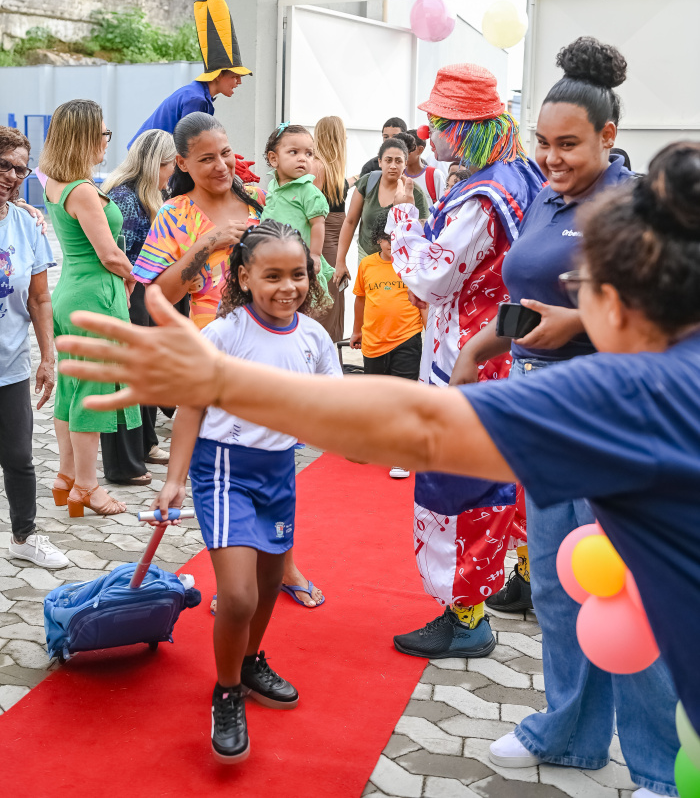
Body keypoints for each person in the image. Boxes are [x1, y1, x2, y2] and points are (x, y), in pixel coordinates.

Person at [58, 140, 700, 744]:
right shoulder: (639, 386)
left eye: (576, 290)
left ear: (616, 302)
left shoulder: (622, 396)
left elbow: (418, 424)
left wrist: (221, 382)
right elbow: (407, 421)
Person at [449, 38, 677, 797]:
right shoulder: (547, 195)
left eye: (569, 144)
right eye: (542, 142)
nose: (551, 157)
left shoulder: (641, 207)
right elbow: (527, 295)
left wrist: (578, 322)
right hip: (543, 404)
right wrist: (477, 350)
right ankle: (570, 733)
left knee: (625, 591)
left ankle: (657, 768)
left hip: (613, 410)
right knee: (553, 581)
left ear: (610, 137)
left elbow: (669, 317)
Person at [153, 220, 341, 762]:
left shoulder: (314, 338)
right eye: (272, 276)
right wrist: (174, 480)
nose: (288, 287)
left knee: (267, 584)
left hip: (279, 472)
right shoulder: (224, 334)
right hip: (224, 469)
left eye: (298, 274)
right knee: (237, 596)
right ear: (244, 277)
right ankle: (228, 691)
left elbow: (336, 406)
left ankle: (252, 660)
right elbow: (191, 407)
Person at [387, 63, 544, 659]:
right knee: (510, 480)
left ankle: (466, 617)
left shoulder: (484, 195)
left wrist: (403, 221)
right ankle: (525, 579)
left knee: (463, 489)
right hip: (509, 350)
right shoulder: (519, 173)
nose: (429, 134)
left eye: (438, 122)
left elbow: (432, 275)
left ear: (466, 128)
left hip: (469, 357)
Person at [41, 100, 140, 517]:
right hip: (95, 295)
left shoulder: (56, 183)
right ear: (83, 137)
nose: (106, 141)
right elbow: (110, 254)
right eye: (103, 133)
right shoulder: (81, 190)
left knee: (73, 387)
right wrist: (133, 276)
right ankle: (87, 485)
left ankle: (66, 477)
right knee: (92, 392)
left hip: (72, 291)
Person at [0, 126, 68, 568]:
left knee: (19, 457)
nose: (12, 176)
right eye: (3, 165)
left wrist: (48, 357)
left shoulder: (27, 225)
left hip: (10, 364)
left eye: (20, 169)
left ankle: (24, 537)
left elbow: (40, 299)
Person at [132, 112, 265, 330]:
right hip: (211, 344)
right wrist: (208, 242)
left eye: (225, 153)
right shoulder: (175, 214)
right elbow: (159, 296)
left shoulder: (259, 200)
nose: (221, 166)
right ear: (182, 163)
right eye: (207, 159)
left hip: (269, 336)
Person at [100, 129, 177, 480]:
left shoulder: (147, 193)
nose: (172, 174)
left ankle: (146, 444)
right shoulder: (125, 197)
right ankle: (126, 461)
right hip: (129, 293)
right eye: (170, 166)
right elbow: (121, 256)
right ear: (156, 164)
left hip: (146, 292)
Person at [351, 211, 423, 479]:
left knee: (403, 399)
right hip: (373, 341)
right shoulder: (367, 265)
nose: (392, 244)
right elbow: (360, 298)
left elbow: (425, 302)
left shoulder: (412, 264)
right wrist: (356, 330)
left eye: (397, 238)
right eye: (387, 238)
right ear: (378, 239)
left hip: (407, 337)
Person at [129, 0, 250, 150]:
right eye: (235, 76)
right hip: (148, 158)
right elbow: (189, 148)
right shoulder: (196, 100)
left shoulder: (197, 95)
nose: (239, 82)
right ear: (218, 75)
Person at [333, 137, 430, 285]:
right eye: (388, 160)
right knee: (368, 296)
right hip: (366, 256)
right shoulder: (367, 183)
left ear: (405, 163)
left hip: (399, 262)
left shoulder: (414, 192)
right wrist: (340, 261)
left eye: (398, 161)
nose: (393, 165)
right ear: (380, 162)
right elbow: (350, 222)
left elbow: (423, 234)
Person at [260, 124, 334, 301]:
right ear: (274, 159)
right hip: (274, 257)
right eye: (294, 152)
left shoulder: (308, 191)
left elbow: (317, 224)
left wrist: (315, 254)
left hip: (300, 261)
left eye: (309, 154)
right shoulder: (273, 186)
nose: (303, 159)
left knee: (299, 304)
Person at [311, 115, 351, 342]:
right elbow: (311, 206)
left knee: (335, 292)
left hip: (335, 237)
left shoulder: (330, 167)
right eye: (343, 134)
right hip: (325, 237)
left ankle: (328, 347)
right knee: (325, 295)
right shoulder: (317, 166)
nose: (346, 138)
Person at [406, 128, 445, 203]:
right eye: (401, 148)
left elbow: (442, 205)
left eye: (408, 148)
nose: (403, 153)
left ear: (420, 150)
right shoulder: (397, 175)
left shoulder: (435, 175)